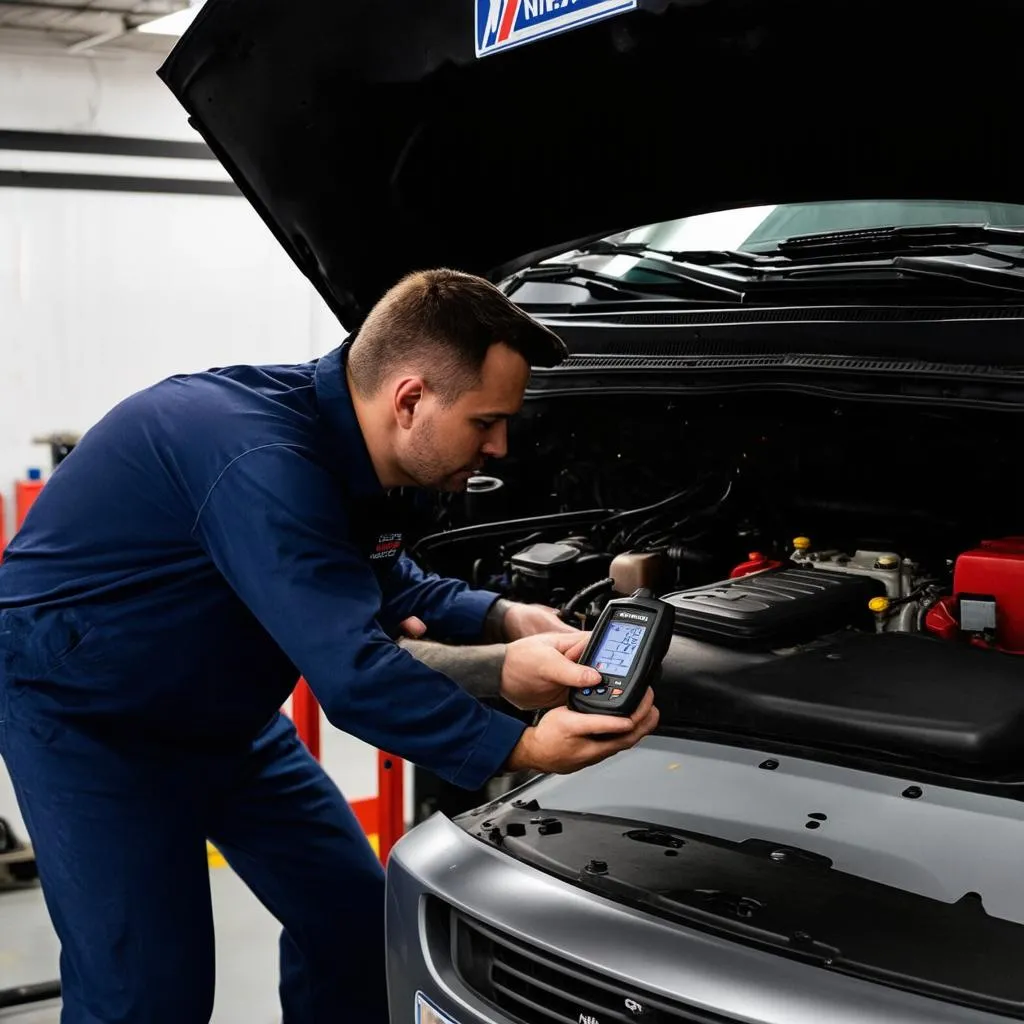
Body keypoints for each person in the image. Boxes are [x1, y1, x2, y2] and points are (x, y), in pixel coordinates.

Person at [0, 268, 660, 1024]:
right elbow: (353, 672)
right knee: (145, 997)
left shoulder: (379, 460)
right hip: (89, 720)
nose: (501, 446)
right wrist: (526, 745)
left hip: (222, 713)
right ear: (410, 399)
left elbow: (382, 576)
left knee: (354, 927)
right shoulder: (260, 458)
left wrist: (503, 617)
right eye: (486, 422)